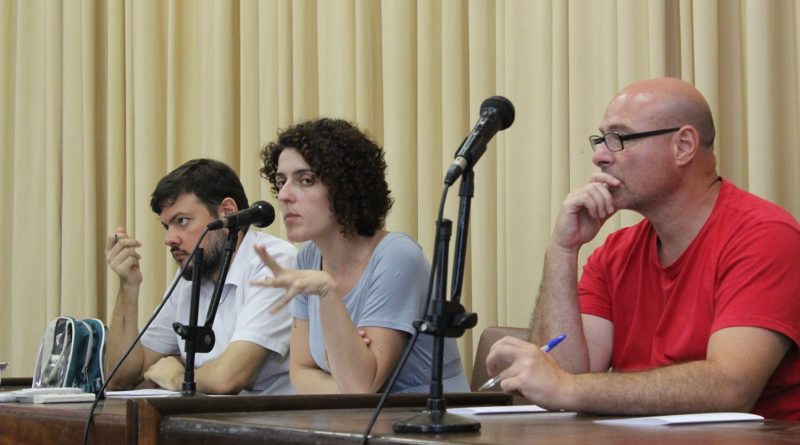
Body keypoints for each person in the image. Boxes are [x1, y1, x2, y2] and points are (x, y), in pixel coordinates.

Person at [486, 78, 800, 419]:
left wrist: (567, 386)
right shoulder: (615, 253)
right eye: (601, 139)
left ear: (683, 145)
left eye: (619, 138)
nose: (600, 156)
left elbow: (731, 387)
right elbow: (560, 376)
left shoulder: (764, 235)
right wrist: (563, 250)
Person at [252, 118, 469, 394]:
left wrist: (327, 291)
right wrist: (346, 376)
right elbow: (301, 372)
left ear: (347, 187)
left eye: (305, 180)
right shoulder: (308, 257)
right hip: (352, 422)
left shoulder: (397, 256)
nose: (283, 195)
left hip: (426, 428)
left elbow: (361, 387)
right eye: (281, 182)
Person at [104, 158, 297, 394]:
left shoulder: (273, 262)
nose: (170, 239)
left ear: (226, 212)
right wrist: (128, 287)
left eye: (182, 221)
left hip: (273, 425)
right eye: (167, 227)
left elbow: (227, 379)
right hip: (208, 423)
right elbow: (119, 378)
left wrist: (177, 378)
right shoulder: (190, 277)